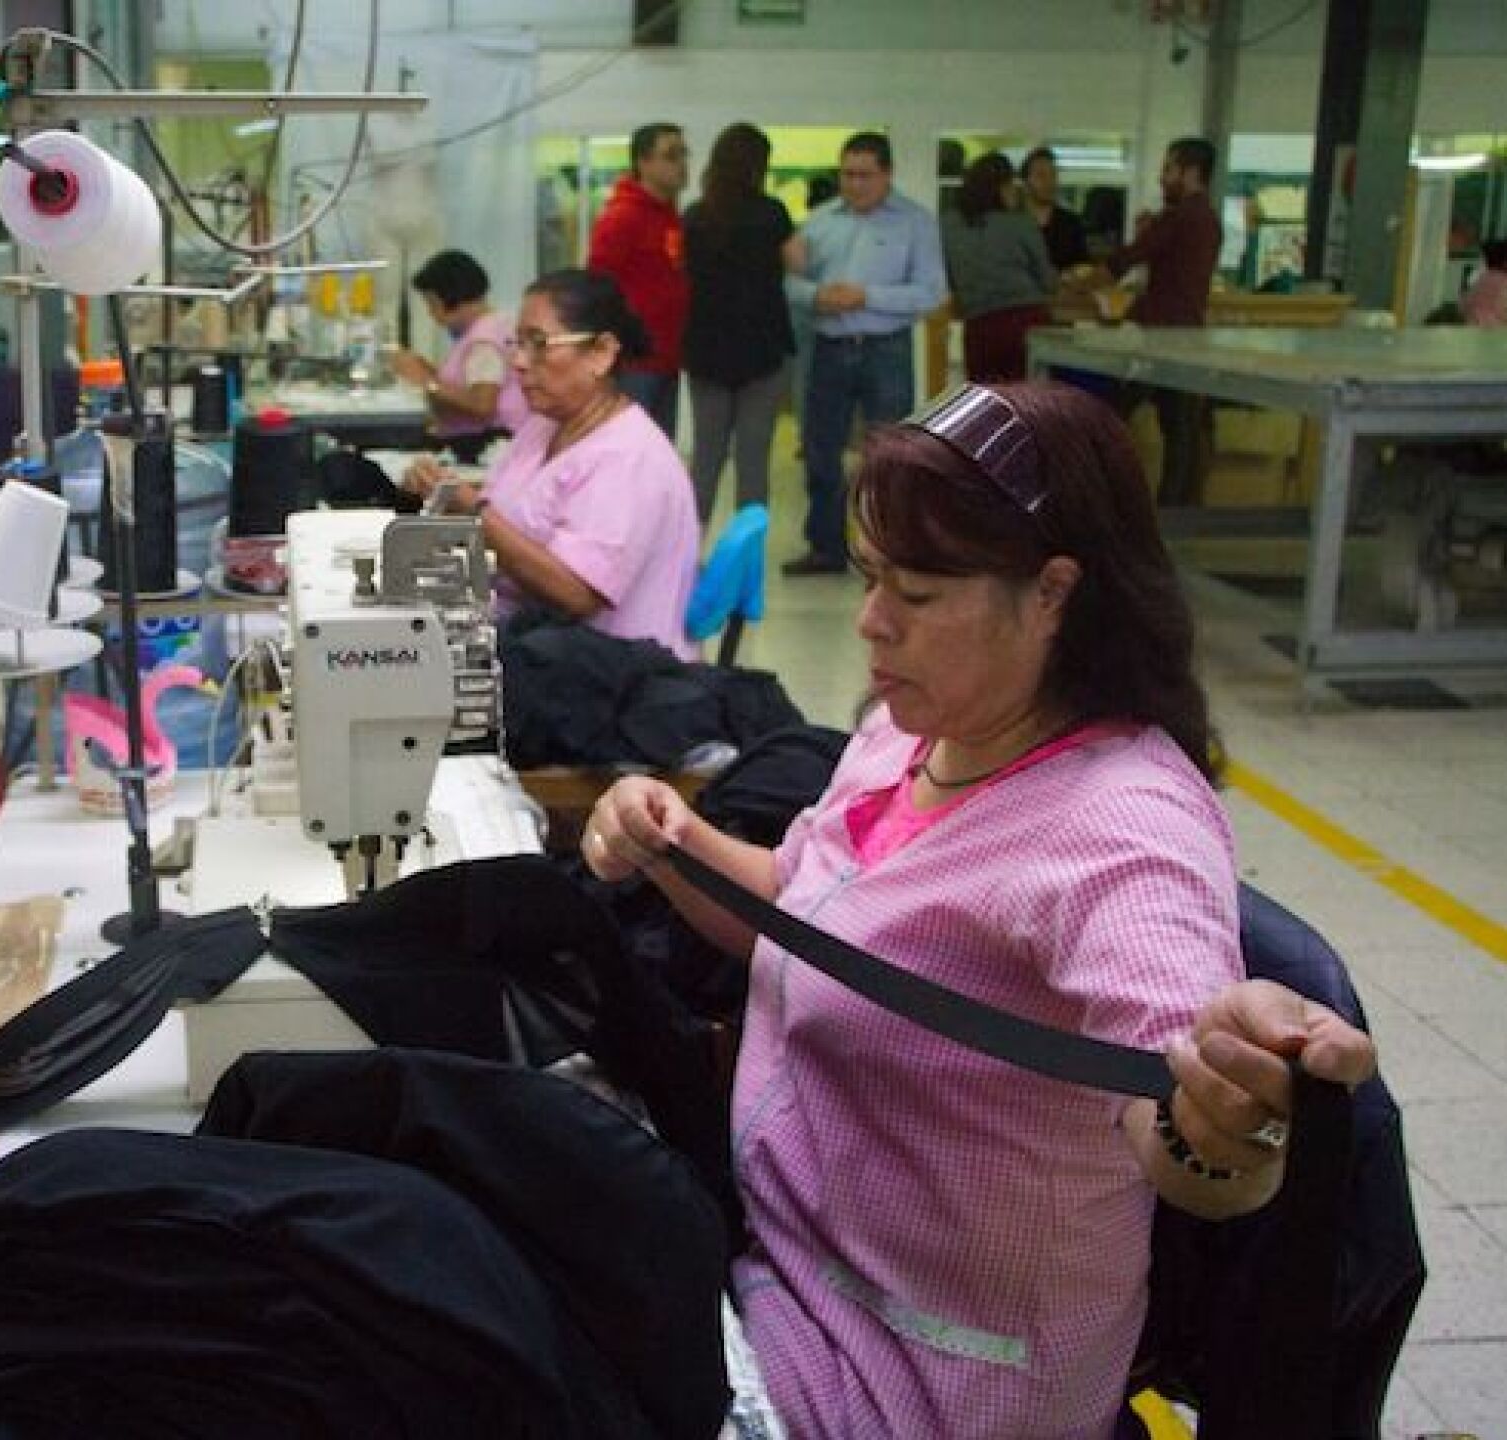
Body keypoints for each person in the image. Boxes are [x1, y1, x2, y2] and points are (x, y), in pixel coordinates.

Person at [576, 379, 1378, 1438]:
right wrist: (672, 844)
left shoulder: (1121, 832)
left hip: (920, 1377)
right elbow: (807, 913)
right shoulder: (920, 729)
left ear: (1052, 594)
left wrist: (1224, 1117)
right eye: (871, 579)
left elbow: (1184, 1123)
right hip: (780, 1262)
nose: (869, 622)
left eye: (914, 592)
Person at [401, 269, 700, 660]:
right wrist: (443, 494)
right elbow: (503, 516)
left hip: (610, 677)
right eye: (517, 344)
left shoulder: (626, 458)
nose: (520, 363)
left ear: (601, 353)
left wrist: (472, 510)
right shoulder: (544, 425)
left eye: (539, 344)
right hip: (537, 642)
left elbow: (576, 594)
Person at [782, 131, 947, 576]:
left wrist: (866, 296)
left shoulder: (916, 223)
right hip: (829, 350)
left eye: (865, 176)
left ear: (888, 174)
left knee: (888, 456)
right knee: (820, 451)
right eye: (847, 175)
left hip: (885, 349)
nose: (854, 184)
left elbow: (931, 293)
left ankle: (885, 553)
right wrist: (818, 295)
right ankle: (826, 546)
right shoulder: (818, 222)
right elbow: (788, 284)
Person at [1093, 136, 1224, 506]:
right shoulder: (1208, 220)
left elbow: (1131, 258)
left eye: (1169, 169)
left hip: (1156, 338)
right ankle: (1173, 517)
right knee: (1179, 432)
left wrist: (1081, 280)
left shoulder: (1180, 217)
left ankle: (1098, 503)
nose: (1161, 178)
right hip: (1188, 334)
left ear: (1191, 172)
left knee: (1110, 417)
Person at [680, 122, 795, 525]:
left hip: (706, 348)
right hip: (762, 349)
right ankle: (747, 556)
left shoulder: (694, 217)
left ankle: (687, 552)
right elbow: (798, 262)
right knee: (753, 459)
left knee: (706, 456)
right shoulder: (772, 213)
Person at [587, 122, 690, 438]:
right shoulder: (622, 217)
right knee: (630, 453)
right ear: (643, 162)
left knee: (658, 455)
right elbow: (597, 286)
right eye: (671, 156)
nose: (682, 164)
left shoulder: (669, 215)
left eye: (683, 154)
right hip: (634, 363)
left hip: (667, 357)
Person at [389, 249, 529, 446]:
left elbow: (482, 405)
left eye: (431, 304)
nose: (430, 313)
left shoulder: (484, 343)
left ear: (450, 298)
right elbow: (468, 383)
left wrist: (426, 381)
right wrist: (425, 370)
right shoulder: (499, 324)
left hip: (484, 444)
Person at [941, 150, 1056, 382]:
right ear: (1001, 187)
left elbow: (947, 276)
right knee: (1027, 402)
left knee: (985, 401)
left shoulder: (947, 224)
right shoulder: (1019, 222)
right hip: (1025, 321)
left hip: (979, 325)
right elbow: (1048, 281)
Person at [1021, 145, 1091, 270]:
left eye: (1053, 175)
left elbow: (1083, 268)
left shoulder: (1071, 223)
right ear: (1026, 182)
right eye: (1041, 175)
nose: (1049, 182)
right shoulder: (1011, 224)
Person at [1461, 238, 1507, 328]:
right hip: (1496, 331)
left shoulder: (1482, 279)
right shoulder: (1503, 283)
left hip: (1472, 327)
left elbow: (1465, 302)